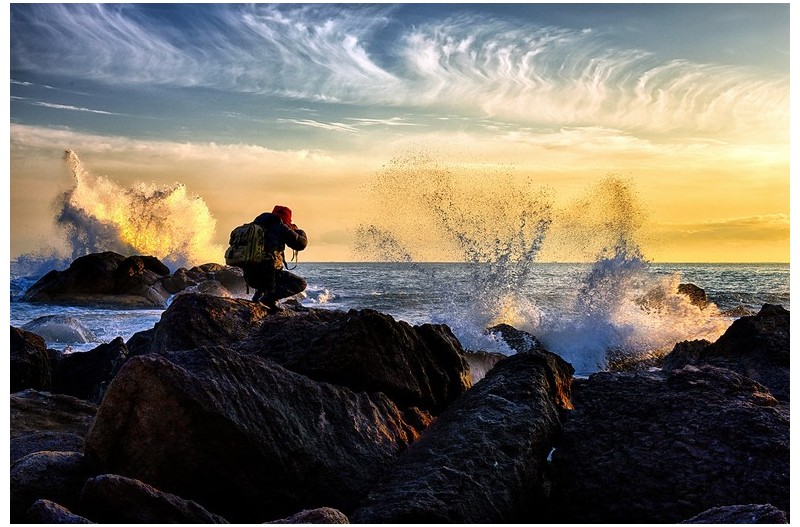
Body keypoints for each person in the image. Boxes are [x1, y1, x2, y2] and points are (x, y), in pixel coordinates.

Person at [243, 205, 308, 312]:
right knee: (301, 283)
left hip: (250, 276)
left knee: (264, 266)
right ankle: (268, 299)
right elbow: (301, 244)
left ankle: (256, 299)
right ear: (286, 218)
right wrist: (299, 231)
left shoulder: (255, 225)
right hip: (268, 275)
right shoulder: (280, 225)